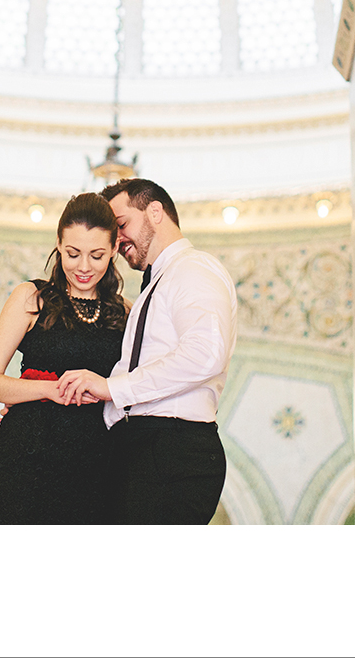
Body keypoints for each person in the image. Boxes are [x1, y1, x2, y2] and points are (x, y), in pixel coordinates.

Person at [54, 178, 237, 525]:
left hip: (170, 449)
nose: (117, 238)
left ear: (155, 212)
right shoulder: (157, 284)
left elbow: (205, 352)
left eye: (121, 224)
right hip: (143, 447)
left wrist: (113, 388)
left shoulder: (193, 268)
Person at [0, 192, 129, 524]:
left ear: (115, 249)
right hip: (26, 456)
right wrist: (50, 390)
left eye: (97, 255)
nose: (84, 267)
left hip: (97, 459)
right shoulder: (31, 298)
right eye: (73, 253)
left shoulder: (126, 312)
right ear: (58, 244)